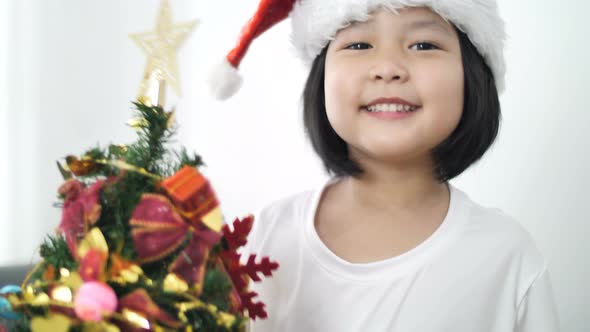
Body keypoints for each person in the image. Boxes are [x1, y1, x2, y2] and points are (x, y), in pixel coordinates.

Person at [209, 1, 560, 331]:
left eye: (424, 45)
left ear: (472, 74)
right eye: (359, 45)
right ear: (322, 77)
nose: (388, 69)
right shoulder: (264, 237)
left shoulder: (508, 257)